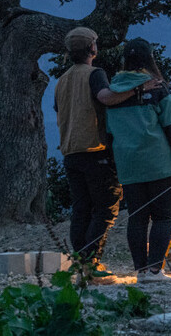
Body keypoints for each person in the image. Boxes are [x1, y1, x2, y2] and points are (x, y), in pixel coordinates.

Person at [99, 38, 171, 283]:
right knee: (162, 217)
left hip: (128, 164)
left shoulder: (113, 93)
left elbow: (108, 132)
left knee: (137, 217)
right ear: (151, 59)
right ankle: (154, 271)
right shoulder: (157, 90)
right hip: (160, 163)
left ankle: (140, 271)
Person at [53, 27, 121, 277]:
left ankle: (80, 263)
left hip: (70, 153)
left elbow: (59, 114)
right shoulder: (95, 74)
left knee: (81, 209)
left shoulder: (61, 81)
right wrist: (136, 90)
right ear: (92, 49)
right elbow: (105, 97)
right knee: (105, 208)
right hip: (95, 150)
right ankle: (91, 263)